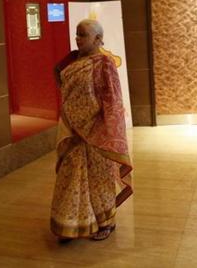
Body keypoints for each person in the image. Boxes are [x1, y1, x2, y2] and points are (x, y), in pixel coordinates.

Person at [50, 19, 133, 242]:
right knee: (70, 178)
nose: (77, 39)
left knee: (98, 180)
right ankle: (70, 225)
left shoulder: (104, 64)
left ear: (97, 39)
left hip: (96, 132)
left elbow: (113, 99)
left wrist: (108, 130)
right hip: (72, 130)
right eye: (76, 34)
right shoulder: (72, 59)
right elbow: (59, 76)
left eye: (82, 35)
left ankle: (106, 222)